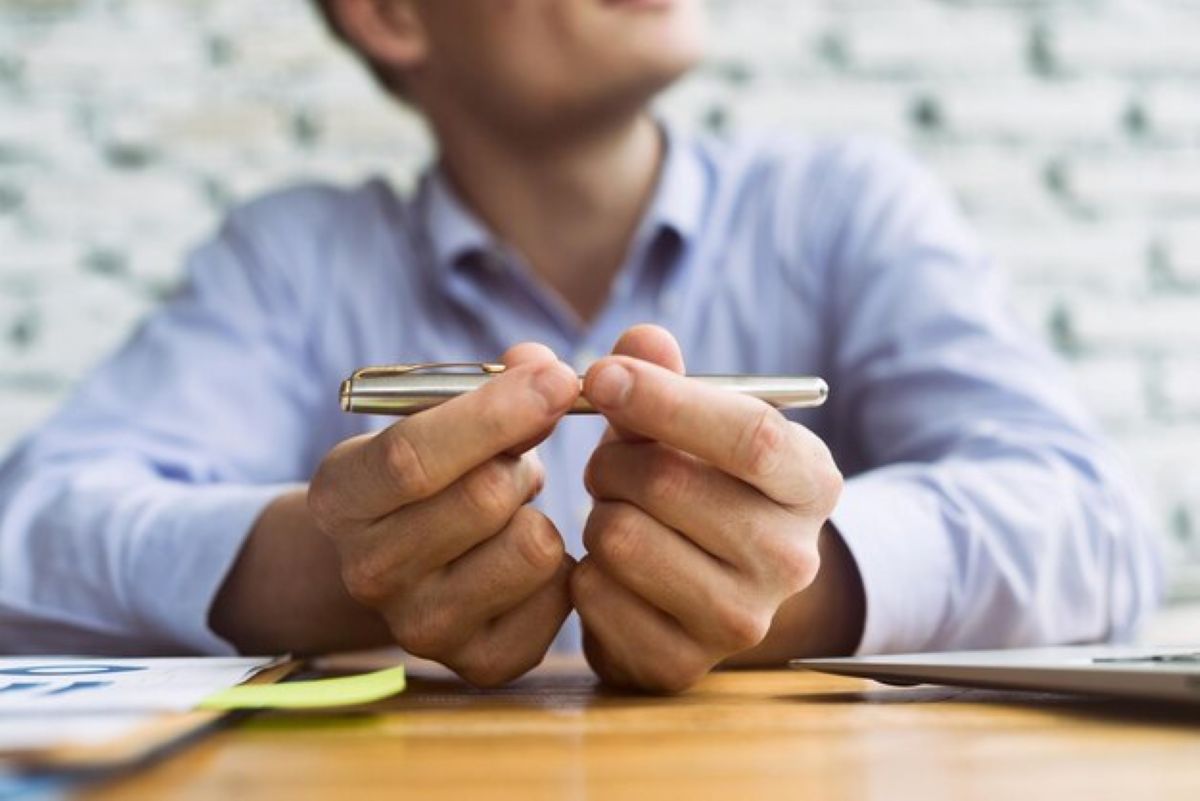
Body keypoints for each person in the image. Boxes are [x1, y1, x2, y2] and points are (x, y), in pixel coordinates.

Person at [0, 0, 1162, 691]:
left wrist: (789, 585)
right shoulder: (290, 257)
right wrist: (340, 566)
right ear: (393, 14)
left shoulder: (844, 207)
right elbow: (33, 533)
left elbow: (1101, 527)